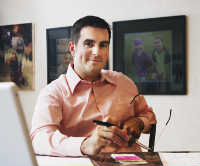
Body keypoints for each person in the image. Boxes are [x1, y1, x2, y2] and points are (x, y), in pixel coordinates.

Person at [30, 16, 157, 157]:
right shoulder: (54, 92)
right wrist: (86, 144)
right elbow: (38, 139)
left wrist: (138, 122)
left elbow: (149, 116)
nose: (97, 52)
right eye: (89, 44)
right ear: (73, 49)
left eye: (103, 45)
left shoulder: (124, 82)